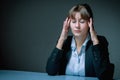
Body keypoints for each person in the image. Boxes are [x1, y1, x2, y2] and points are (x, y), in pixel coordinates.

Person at [46, 3, 113, 80]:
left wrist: (95, 41)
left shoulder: (99, 42)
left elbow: (104, 76)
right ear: (68, 23)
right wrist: (61, 39)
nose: (77, 26)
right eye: (73, 21)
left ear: (89, 23)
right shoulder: (65, 42)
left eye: (82, 21)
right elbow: (50, 71)